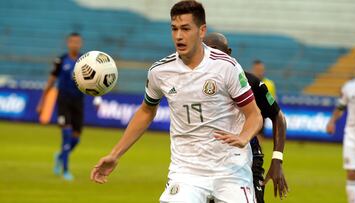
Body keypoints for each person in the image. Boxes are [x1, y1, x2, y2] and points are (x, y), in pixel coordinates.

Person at [90, 1, 263, 202]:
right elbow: (146, 111)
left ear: (201, 31)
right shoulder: (160, 72)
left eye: (186, 28)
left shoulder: (227, 67)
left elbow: (254, 115)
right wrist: (115, 154)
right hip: (186, 171)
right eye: (174, 29)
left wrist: (244, 136)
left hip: (230, 169)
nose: (179, 36)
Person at [203, 32, 288, 202]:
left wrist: (277, 160)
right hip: (207, 157)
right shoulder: (197, 83)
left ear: (228, 52)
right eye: (207, 51)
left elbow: (278, 116)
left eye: (216, 51)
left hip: (247, 157)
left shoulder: (250, 82)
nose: (212, 56)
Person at [37, 32, 90, 181]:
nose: (75, 44)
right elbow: (51, 81)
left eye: (77, 42)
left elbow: (93, 81)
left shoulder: (85, 61)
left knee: (76, 138)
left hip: (78, 101)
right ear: (68, 43)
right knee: (66, 135)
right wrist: (42, 102)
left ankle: (60, 155)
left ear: (81, 44)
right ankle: (65, 170)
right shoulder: (61, 60)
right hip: (63, 101)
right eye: (72, 42)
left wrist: (97, 99)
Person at [326, 54, 355, 203]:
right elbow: (341, 107)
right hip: (352, 135)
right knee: (352, 172)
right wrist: (332, 121)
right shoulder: (349, 87)